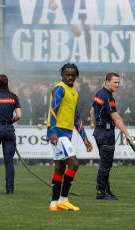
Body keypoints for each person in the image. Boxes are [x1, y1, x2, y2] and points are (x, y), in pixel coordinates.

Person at [47, 63, 93, 212]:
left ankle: (54, 204)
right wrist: (53, 130)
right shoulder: (59, 88)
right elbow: (53, 110)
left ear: (76, 76)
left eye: (73, 75)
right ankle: (64, 200)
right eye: (68, 74)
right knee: (74, 163)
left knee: (60, 167)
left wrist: (84, 138)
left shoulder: (74, 92)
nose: (70, 77)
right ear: (62, 75)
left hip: (66, 132)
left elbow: (76, 116)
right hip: (58, 132)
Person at [90, 73, 132, 200]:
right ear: (107, 82)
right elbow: (117, 118)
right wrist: (127, 135)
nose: (117, 85)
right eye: (115, 82)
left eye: (118, 82)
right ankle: (101, 192)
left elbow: (91, 111)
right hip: (106, 133)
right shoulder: (108, 97)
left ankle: (105, 190)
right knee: (105, 164)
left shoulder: (98, 93)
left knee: (104, 163)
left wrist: (93, 123)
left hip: (99, 132)